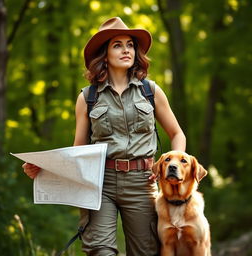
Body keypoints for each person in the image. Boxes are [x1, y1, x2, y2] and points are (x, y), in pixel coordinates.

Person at [23, 17, 186, 256]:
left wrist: (171, 166)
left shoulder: (150, 91)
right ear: (104, 54)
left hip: (142, 182)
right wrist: (44, 169)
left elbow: (177, 133)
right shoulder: (87, 97)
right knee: (99, 250)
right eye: (117, 45)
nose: (126, 50)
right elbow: (77, 152)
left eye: (130, 44)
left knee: (147, 251)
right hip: (99, 182)